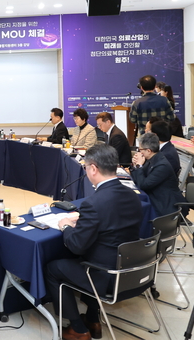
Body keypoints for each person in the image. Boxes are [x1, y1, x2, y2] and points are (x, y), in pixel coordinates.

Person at [44, 145, 143, 340]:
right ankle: (93, 320)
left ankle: (78, 329)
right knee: (95, 256)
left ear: (94, 169)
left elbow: (76, 245)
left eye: (86, 167)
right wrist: (85, 221)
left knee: (53, 269)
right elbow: (112, 224)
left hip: (106, 276)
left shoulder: (93, 203)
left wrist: (66, 226)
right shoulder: (133, 196)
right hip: (130, 270)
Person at [129, 133, 185, 217]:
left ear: (148, 151)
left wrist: (139, 166)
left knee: (133, 208)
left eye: (140, 150)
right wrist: (135, 165)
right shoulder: (151, 159)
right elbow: (139, 179)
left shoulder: (162, 165)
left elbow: (144, 185)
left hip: (164, 204)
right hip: (154, 196)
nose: (139, 152)